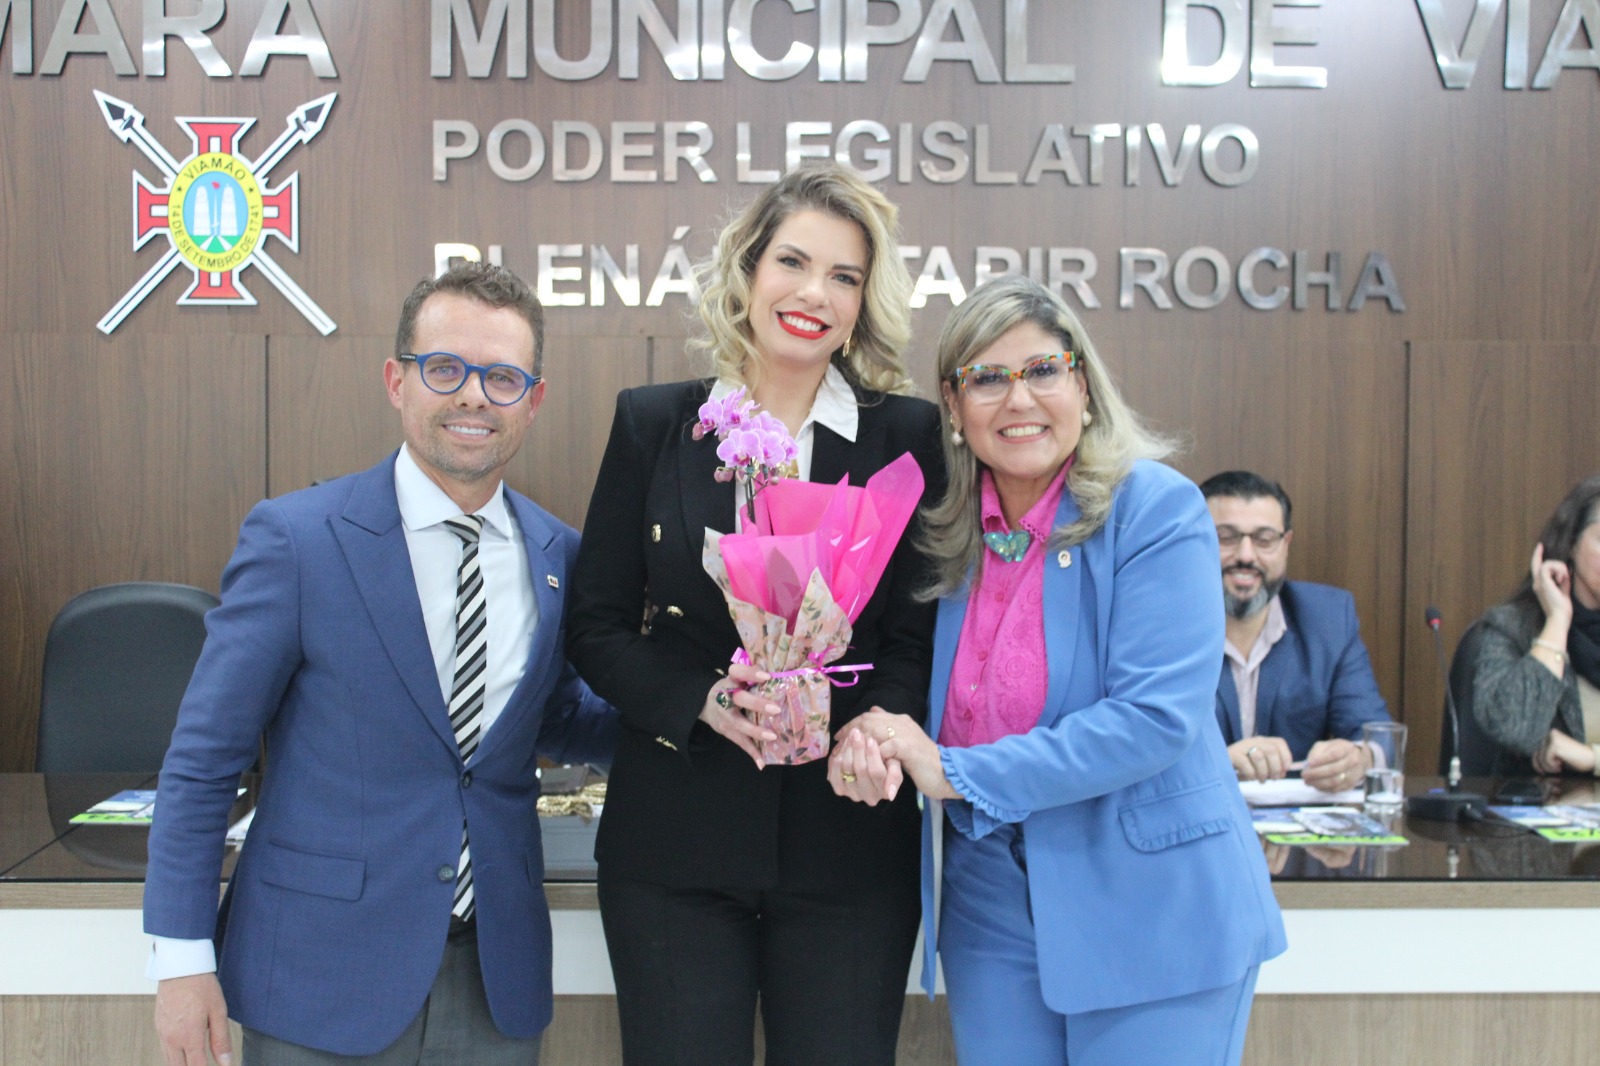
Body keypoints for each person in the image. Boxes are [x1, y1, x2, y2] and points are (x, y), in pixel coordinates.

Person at [143, 262, 616, 1065]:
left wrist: (701, 712)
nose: (474, 397)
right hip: (319, 976)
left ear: (533, 400)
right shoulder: (298, 540)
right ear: (397, 381)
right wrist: (181, 961)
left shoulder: (559, 554)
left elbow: (558, 716)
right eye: (445, 369)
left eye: (502, 378)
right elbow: (204, 759)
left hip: (493, 978)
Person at [831, 275, 1285, 1066]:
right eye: (987, 378)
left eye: (1042, 370)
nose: (1019, 400)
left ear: (1082, 383)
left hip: (1150, 904)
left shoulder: (1156, 509)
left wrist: (952, 771)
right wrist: (869, 732)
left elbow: (1152, 721)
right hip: (988, 905)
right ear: (953, 405)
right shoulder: (944, 534)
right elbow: (905, 676)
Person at [565, 161, 942, 1066]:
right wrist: (700, 699)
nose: (814, 294)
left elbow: (915, 636)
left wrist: (874, 726)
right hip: (674, 844)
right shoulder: (656, 424)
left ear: (863, 302)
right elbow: (596, 625)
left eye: (844, 276)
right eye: (793, 263)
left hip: (850, 847)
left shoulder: (908, 434)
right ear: (748, 271)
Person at [1199, 470, 1392, 792]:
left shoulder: (1328, 620)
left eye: (1264, 540)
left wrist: (1359, 758)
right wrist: (1218, 762)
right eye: (1226, 537)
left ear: (1285, 544)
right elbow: (1142, 746)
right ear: (1197, 539)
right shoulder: (1161, 625)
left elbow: (1376, 734)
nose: (1246, 556)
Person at [1459, 474, 1600, 776]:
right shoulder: (1512, 629)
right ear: (1572, 544)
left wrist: (1592, 757)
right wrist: (1558, 621)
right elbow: (1516, 729)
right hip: (1545, 805)